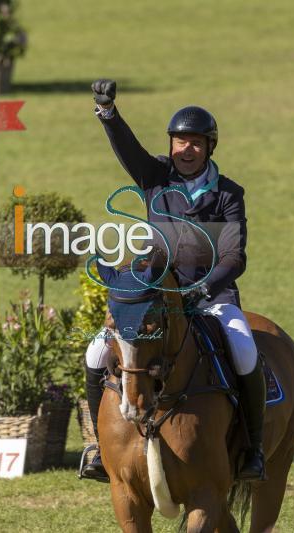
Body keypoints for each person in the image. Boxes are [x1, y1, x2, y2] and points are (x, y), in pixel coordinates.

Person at [80, 79, 266, 483]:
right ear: (171, 145)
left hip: (208, 296)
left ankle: (254, 447)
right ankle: (96, 446)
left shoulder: (228, 194)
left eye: (196, 142)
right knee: (96, 353)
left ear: (209, 147)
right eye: (179, 142)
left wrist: (201, 288)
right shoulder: (155, 177)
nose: (186, 149)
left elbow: (235, 255)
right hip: (156, 297)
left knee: (244, 347)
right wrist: (108, 112)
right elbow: (126, 148)